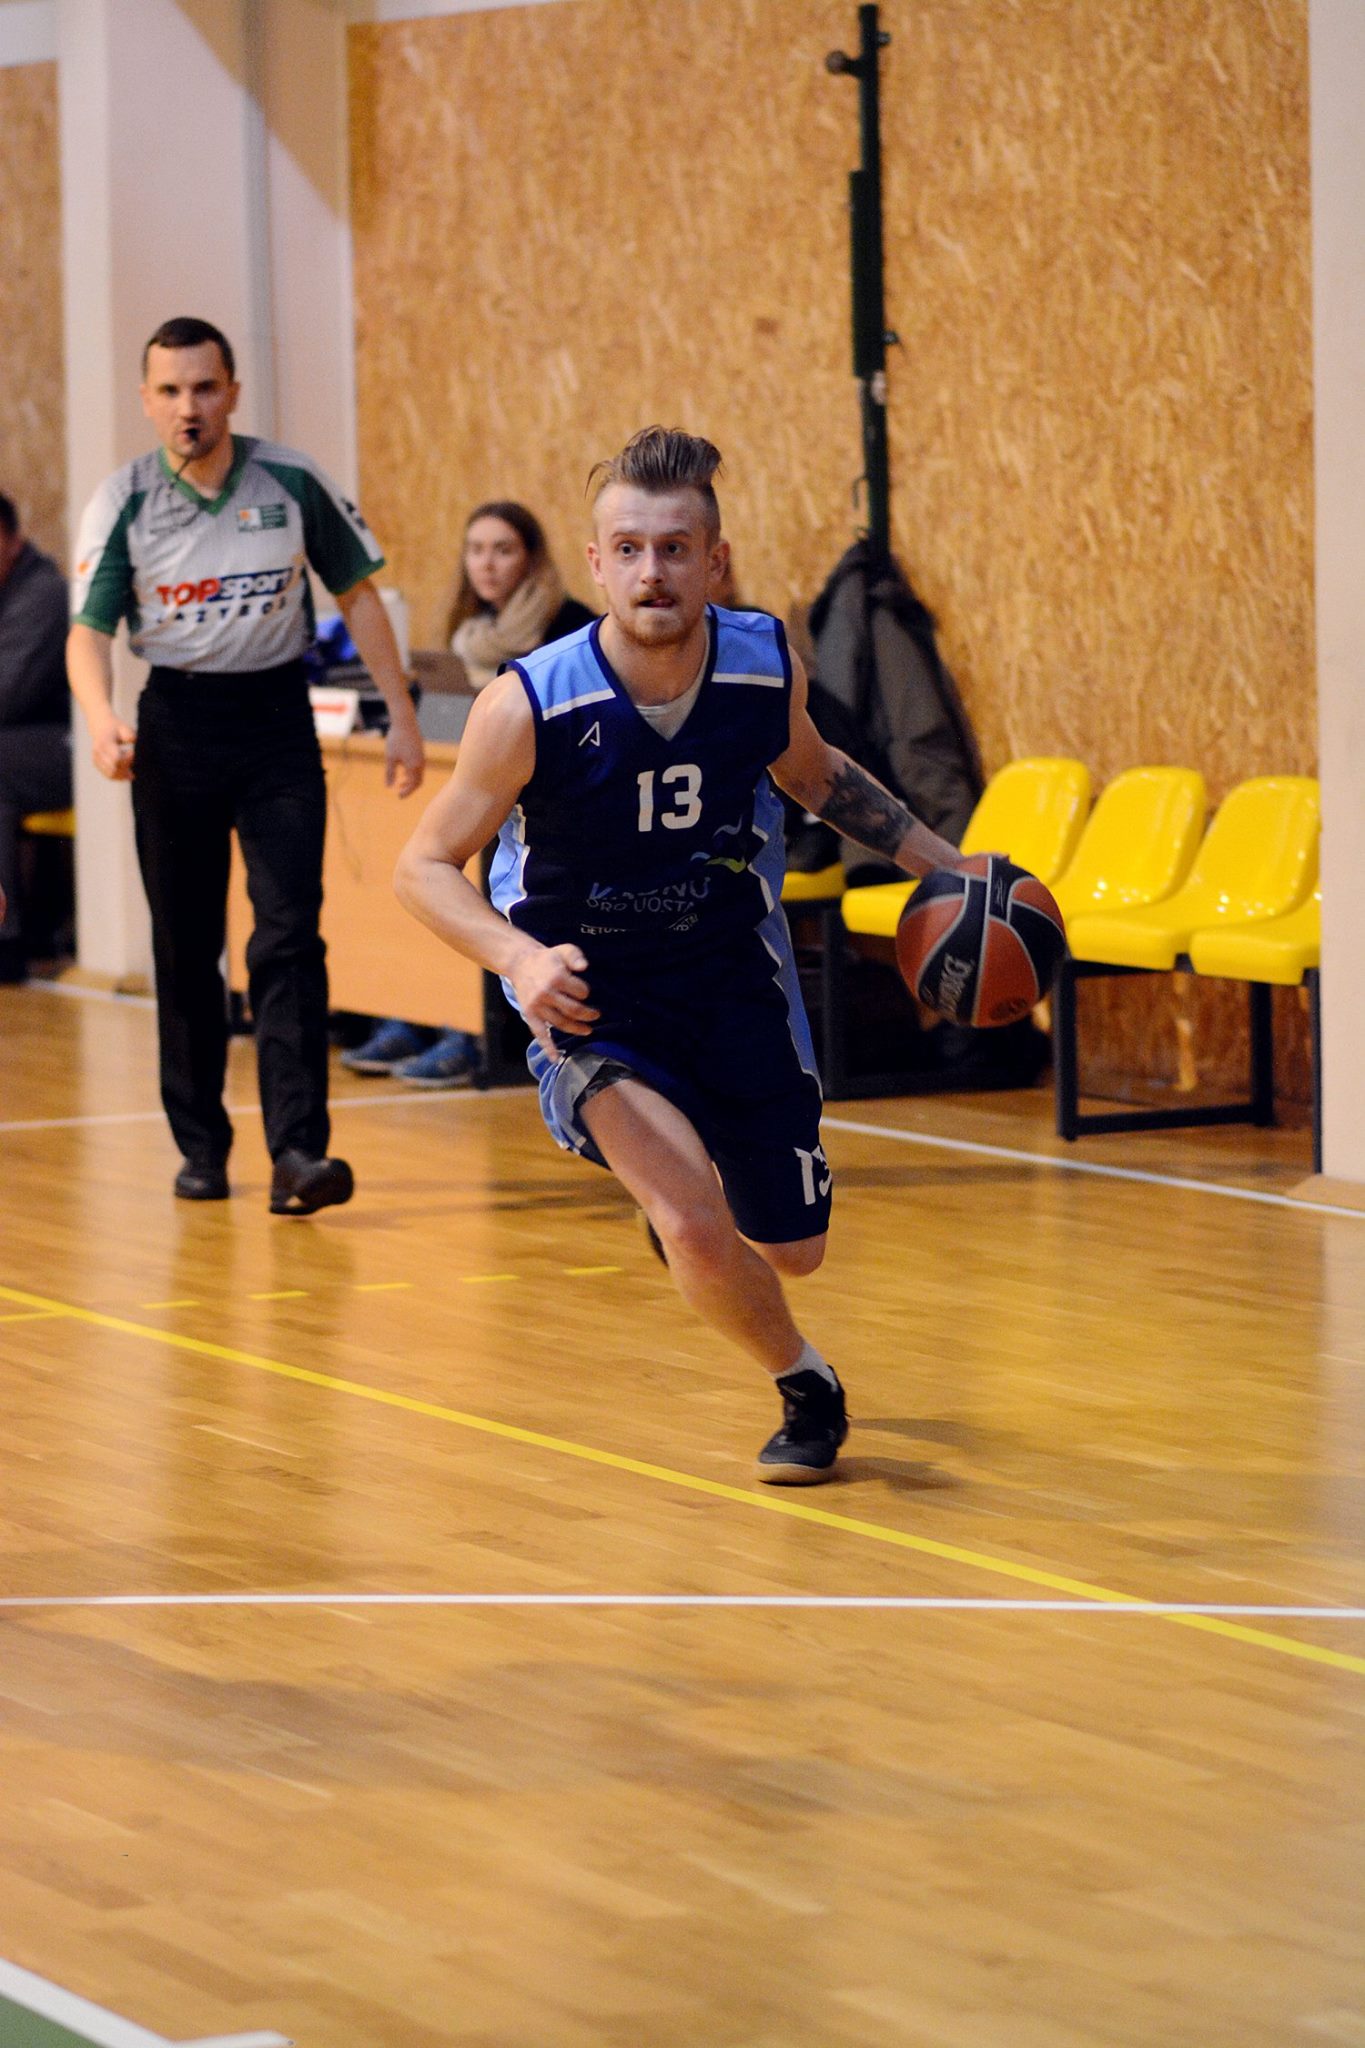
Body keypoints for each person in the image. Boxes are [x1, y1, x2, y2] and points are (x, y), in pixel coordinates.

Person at [395, 427, 971, 1482]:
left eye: (673, 549)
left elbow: (814, 774)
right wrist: (518, 960)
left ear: (714, 560)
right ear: (596, 560)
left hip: (733, 977)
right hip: (592, 997)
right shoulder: (528, 703)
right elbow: (421, 867)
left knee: (794, 1247)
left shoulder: (761, 662)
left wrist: (949, 866)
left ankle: (704, 1222)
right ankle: (805, 1382)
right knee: (694, 1221)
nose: (651, 571)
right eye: (628, 549)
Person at [67, 315, 425, 1213]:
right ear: (147, 401)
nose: (188, 407)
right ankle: (201, 1148)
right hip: (175, 725)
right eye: (170, 391)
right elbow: (87, 634)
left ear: (231, 391)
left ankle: (299, 1153)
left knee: (288, 935)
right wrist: (102, 718)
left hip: (274, 723)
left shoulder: (291, 480)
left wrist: (402, 715)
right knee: (186, 945)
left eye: (204, 387)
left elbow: (358, 593)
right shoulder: (123, 500)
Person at [344, 500, 593, 1087]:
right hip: (471, 785)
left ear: (531, 559)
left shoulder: (569, 624)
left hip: (539, 806)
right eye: (476, 550)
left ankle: (467, 1033)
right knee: (417, 866)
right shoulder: (469, 632)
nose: (487, 564)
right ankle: (419, 1015)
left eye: (503, 550)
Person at [0, 493, 72, 984]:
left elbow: (8, 694)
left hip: (69, 747)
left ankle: (6, 942)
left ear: (14, 541)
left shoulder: (43, 594)